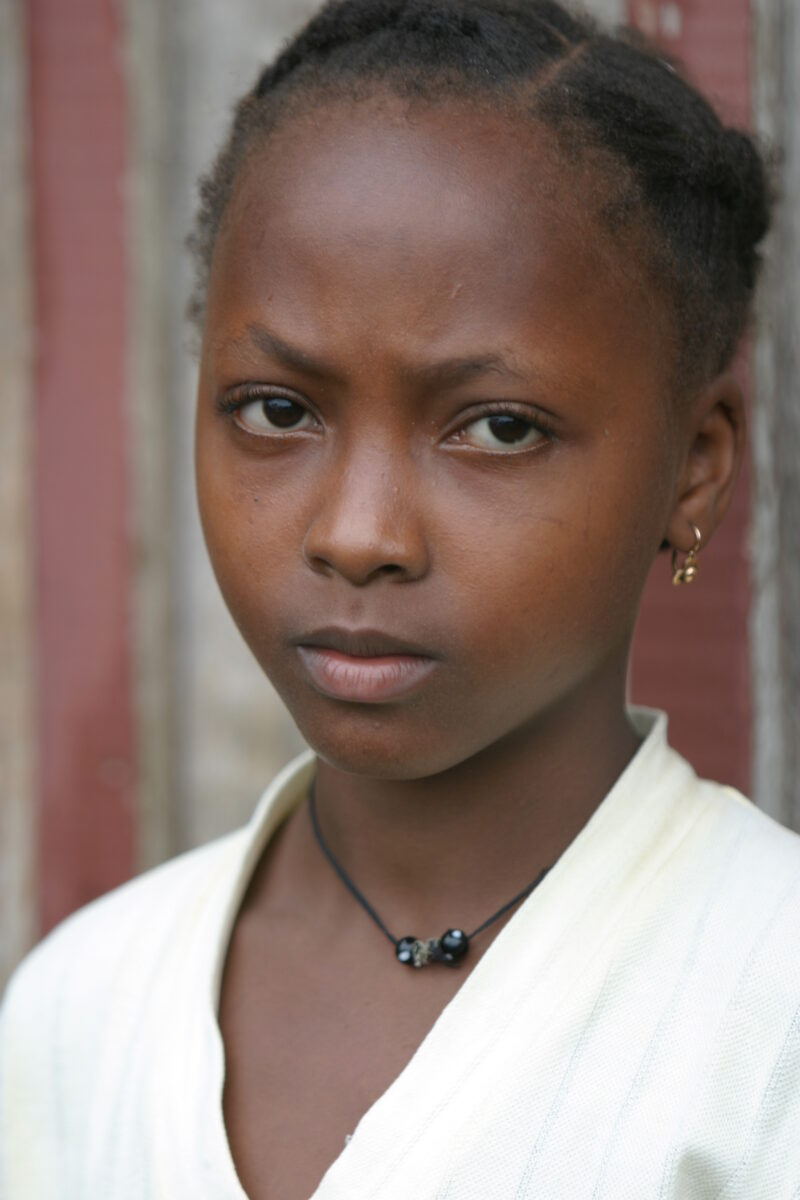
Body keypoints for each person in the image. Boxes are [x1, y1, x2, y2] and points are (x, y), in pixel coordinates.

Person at [2, 1, 798, 1196]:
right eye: (277, 410)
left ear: (691, 468)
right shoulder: (81, 1012)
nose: (356, 534)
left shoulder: (767, 1021)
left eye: (497, 428)